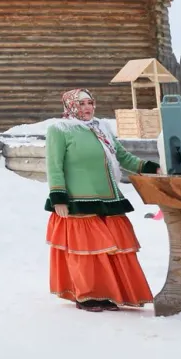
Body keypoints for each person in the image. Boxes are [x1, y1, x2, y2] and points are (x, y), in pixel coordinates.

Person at [45, 88, 160, 312]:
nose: (88, 108)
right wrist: (58, 196)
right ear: (70, 106)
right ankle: (87, 295)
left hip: (108, 198)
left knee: (112, 249)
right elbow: (54, 165)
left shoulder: (101, 128)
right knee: (87, 251)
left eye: (90, 103)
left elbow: (123, 156)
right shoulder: (60, 130)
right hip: (79, 200)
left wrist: (151, 167)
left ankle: (108, 292)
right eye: (81, 104)